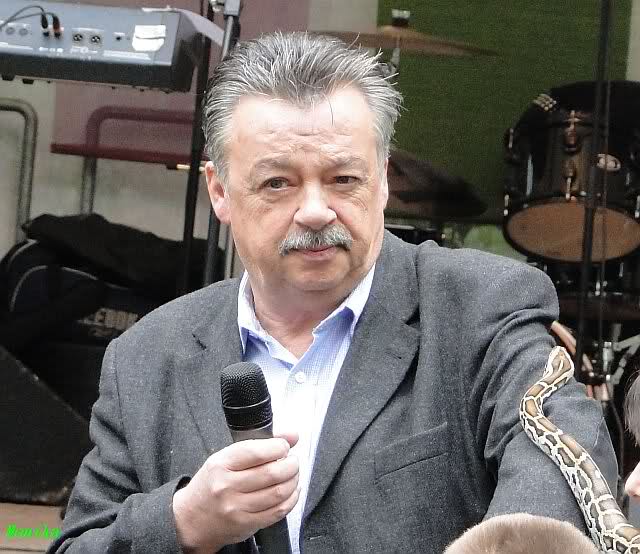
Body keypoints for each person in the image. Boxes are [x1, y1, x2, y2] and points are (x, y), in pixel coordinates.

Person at [48, 32, 617, 553]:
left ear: (383, 179)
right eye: (278, 183)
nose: (316, 210)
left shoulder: (481, 306)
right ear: (219, 191)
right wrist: (183, 522)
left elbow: (563, 461)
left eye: (343, 179)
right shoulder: (146, 357)